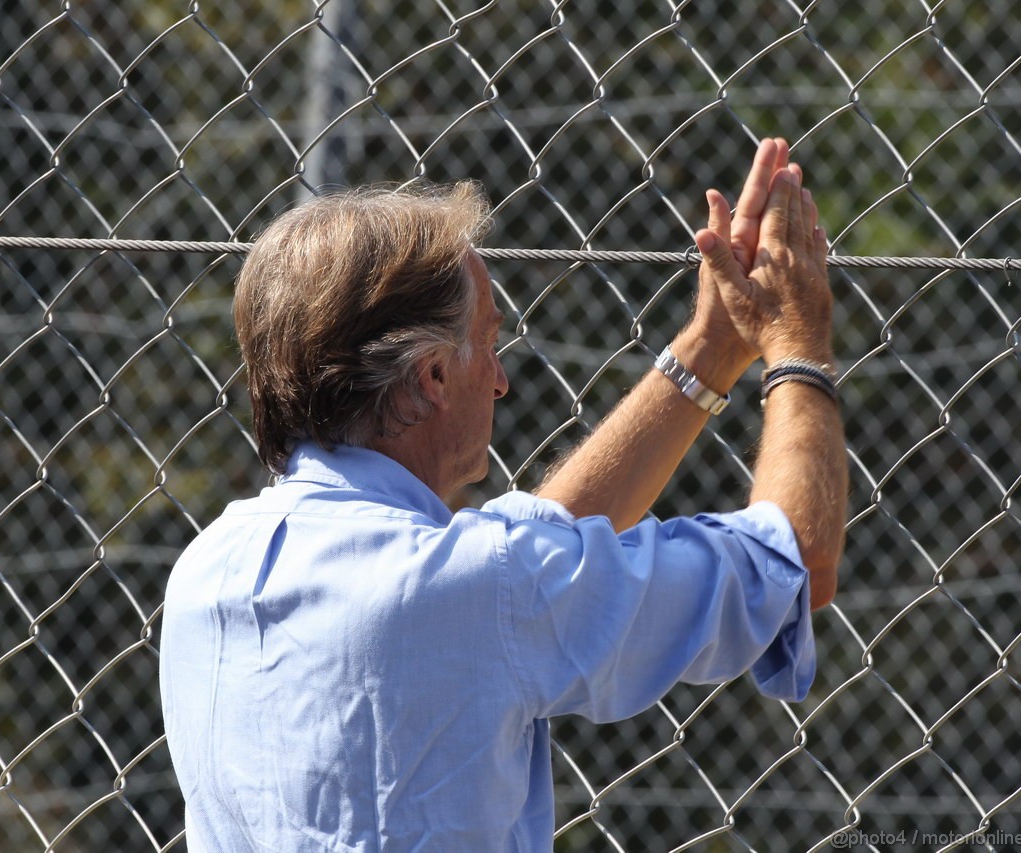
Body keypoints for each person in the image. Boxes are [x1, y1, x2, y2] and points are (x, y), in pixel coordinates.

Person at [159, 137, 847, 851]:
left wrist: (712, 346)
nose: (499, 379)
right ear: (430, 377)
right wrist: (797, 338)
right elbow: (795, 557)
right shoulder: (481, 584)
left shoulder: (206, 572)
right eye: (487, 343)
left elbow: (540, 541)